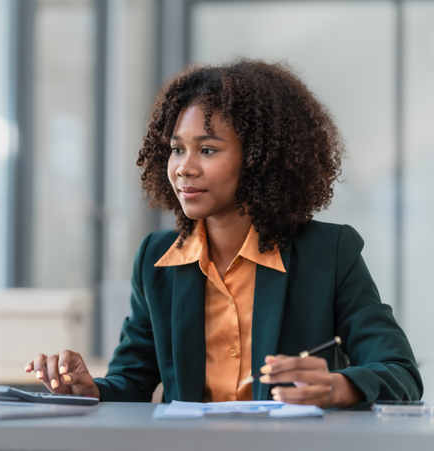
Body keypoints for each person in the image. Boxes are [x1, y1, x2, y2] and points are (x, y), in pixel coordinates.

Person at [25, 59, 422, 409]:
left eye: (208, 150)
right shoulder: (155, 259)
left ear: (259, 160)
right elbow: (133, 380)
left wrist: (335, 387)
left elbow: (400, 372)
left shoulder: (330, 252)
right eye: (177, 149)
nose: (184, 167)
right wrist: (90, 388)